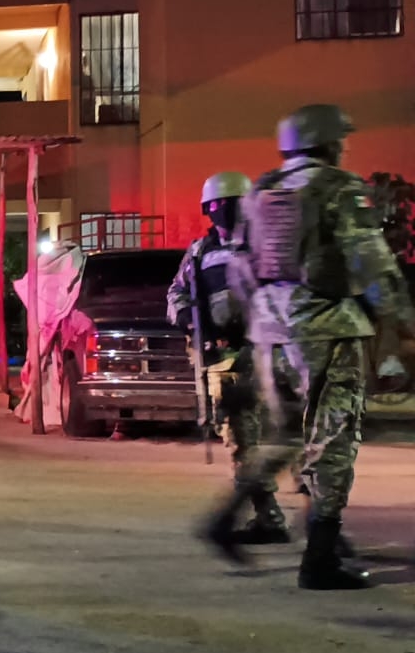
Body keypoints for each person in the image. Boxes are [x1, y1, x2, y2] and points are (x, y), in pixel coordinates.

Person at [215, 104, 415, 590]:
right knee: (334, 439)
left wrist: (259, 323)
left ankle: (225, 518)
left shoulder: (261, 190)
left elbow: (240, 268)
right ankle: (320, 560)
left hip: (270, 335)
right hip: (326, 329)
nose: (344, 147)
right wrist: (404, 324)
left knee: (284, 434)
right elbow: (372, 264)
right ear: (325, 142)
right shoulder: (340, 188)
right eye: (340, 140)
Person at [169, 171, 291, 546]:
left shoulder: (266, 247)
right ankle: (269, 517)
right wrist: (192, 321)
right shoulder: (199, 253)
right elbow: (176, 296)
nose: (228, 213)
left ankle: (317, 522)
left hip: (269, 359)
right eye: (220, 207)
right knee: (241, 441)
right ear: (208, 210)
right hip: (224, 360)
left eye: (235, 205)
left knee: (286, 441)